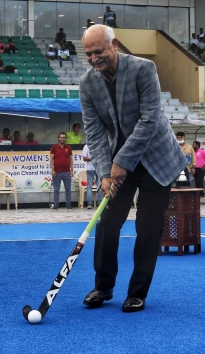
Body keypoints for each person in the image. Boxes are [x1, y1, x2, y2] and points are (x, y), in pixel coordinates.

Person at [80, 25, 187, 312]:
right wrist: (105, 172)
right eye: (88, 53)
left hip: (156, 160)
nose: (93, 58)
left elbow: (150, 119)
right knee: (107, 223)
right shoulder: (87, 83)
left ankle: (137, 292)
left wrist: (120, 163)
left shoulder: (143, 68)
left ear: (114, 44)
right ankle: (103, 287)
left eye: (99, 51)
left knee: (148, 227)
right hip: (117, 165)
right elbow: (95, 132)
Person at [50, 132, 73, 210]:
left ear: (65, 139)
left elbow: (71, 160)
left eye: (64, 137)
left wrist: (72, 171)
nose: (62, 139)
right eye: (61, 137)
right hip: (57, 172)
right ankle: (56, 204)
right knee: (56, 190)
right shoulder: (54, 147)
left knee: (68, 189)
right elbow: (51, 160)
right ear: (58, 138)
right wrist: (53, 170)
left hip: (67, 172)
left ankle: (68, 205)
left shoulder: (68, 148)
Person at [82, 144, 102, 209]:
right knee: (89, 186)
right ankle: (90, 203)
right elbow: (84, 158)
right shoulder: (86, 146)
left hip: (98, 168)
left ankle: (100, 203)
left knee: (99, 185)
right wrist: (93, 158)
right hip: (90, 168)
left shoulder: (99, 145)